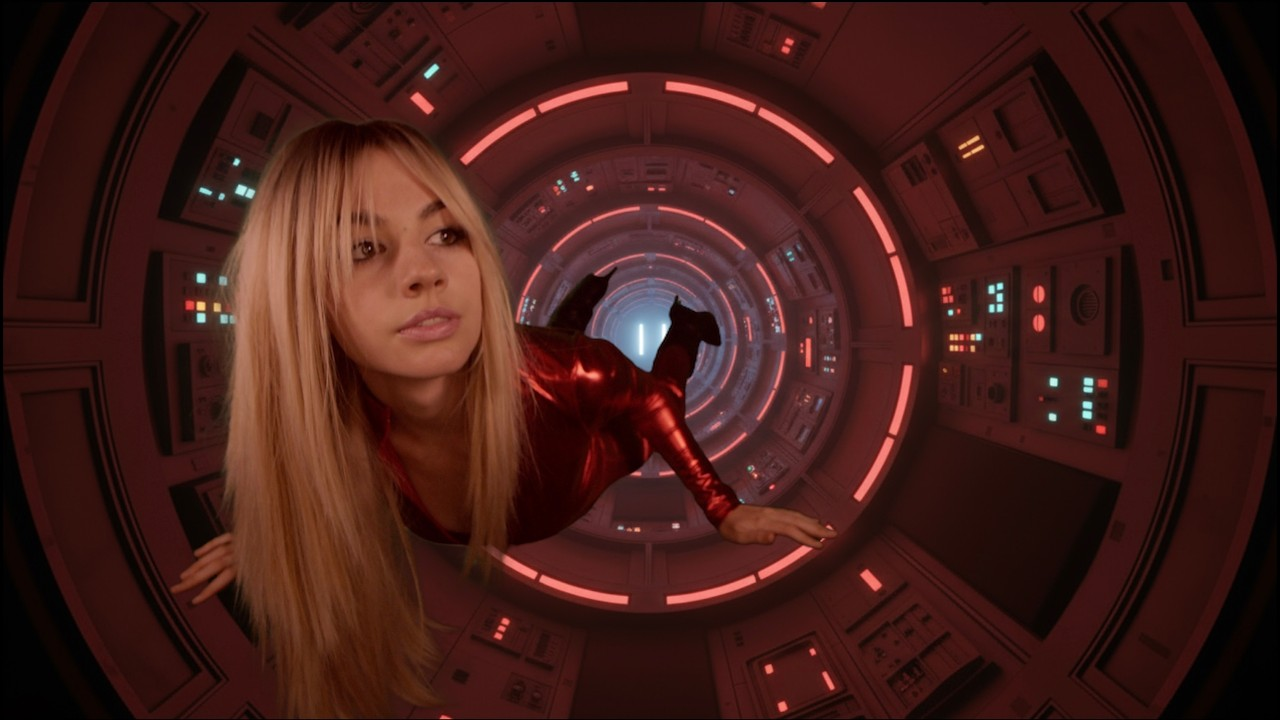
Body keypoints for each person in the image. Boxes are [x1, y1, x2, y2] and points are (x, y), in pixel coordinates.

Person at [169, 119, 835, 717]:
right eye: (363, 249)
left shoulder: (573, 371)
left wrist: (723, 509)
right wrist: (279, 538)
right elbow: (335, 493)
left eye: (444, 233)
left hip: (590, 457)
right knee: (553, 347)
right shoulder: (340, 435)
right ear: (298, 295)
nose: (425, 272)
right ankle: (581, 303)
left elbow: (652, 404)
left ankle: (686, 324)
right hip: (546, 382)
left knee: (658, 387)